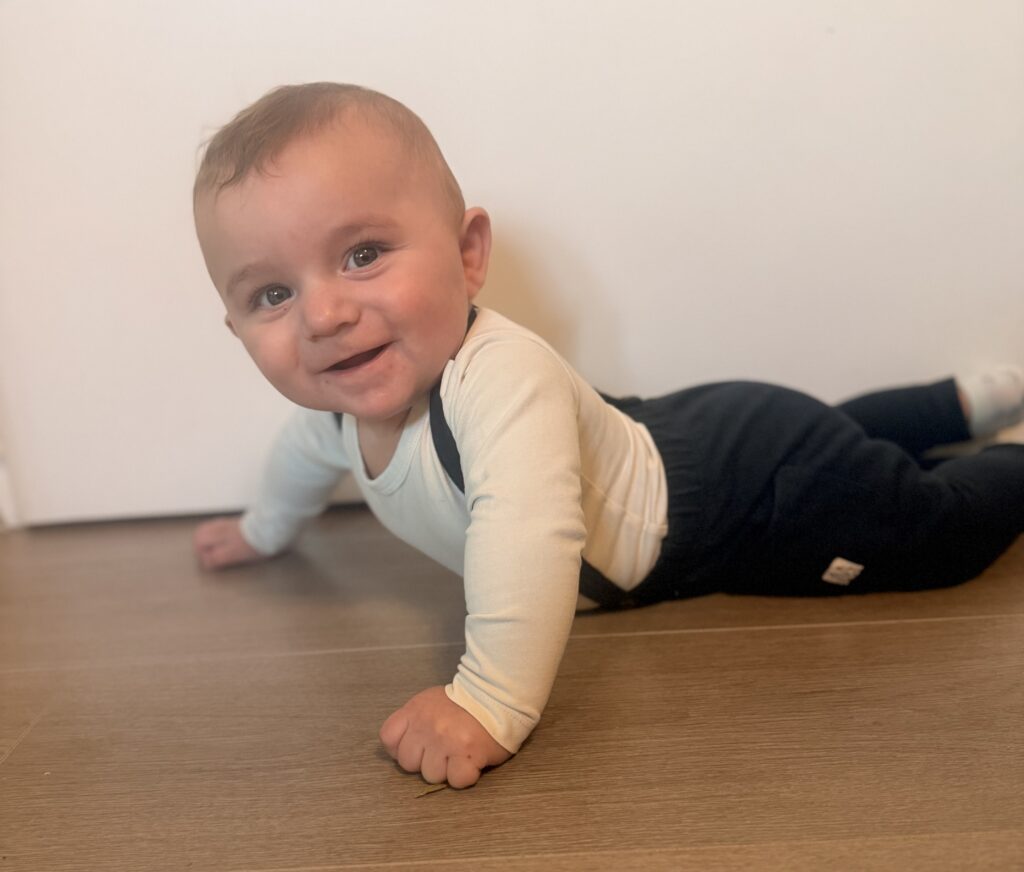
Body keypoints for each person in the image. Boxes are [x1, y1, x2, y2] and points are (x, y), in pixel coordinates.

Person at [191, 82, 1024, 789]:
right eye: (272, 296)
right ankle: (967, 401)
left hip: (749, 493)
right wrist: (264, 530)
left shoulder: (499, 376)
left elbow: (528, 532)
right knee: (843, 436)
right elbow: (298, 461)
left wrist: (487, 700)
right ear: (235, 329)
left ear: (468, 254)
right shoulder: (335, 414)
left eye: (364, 253)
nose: (324, 314)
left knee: (931, 529)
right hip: (702, 434)